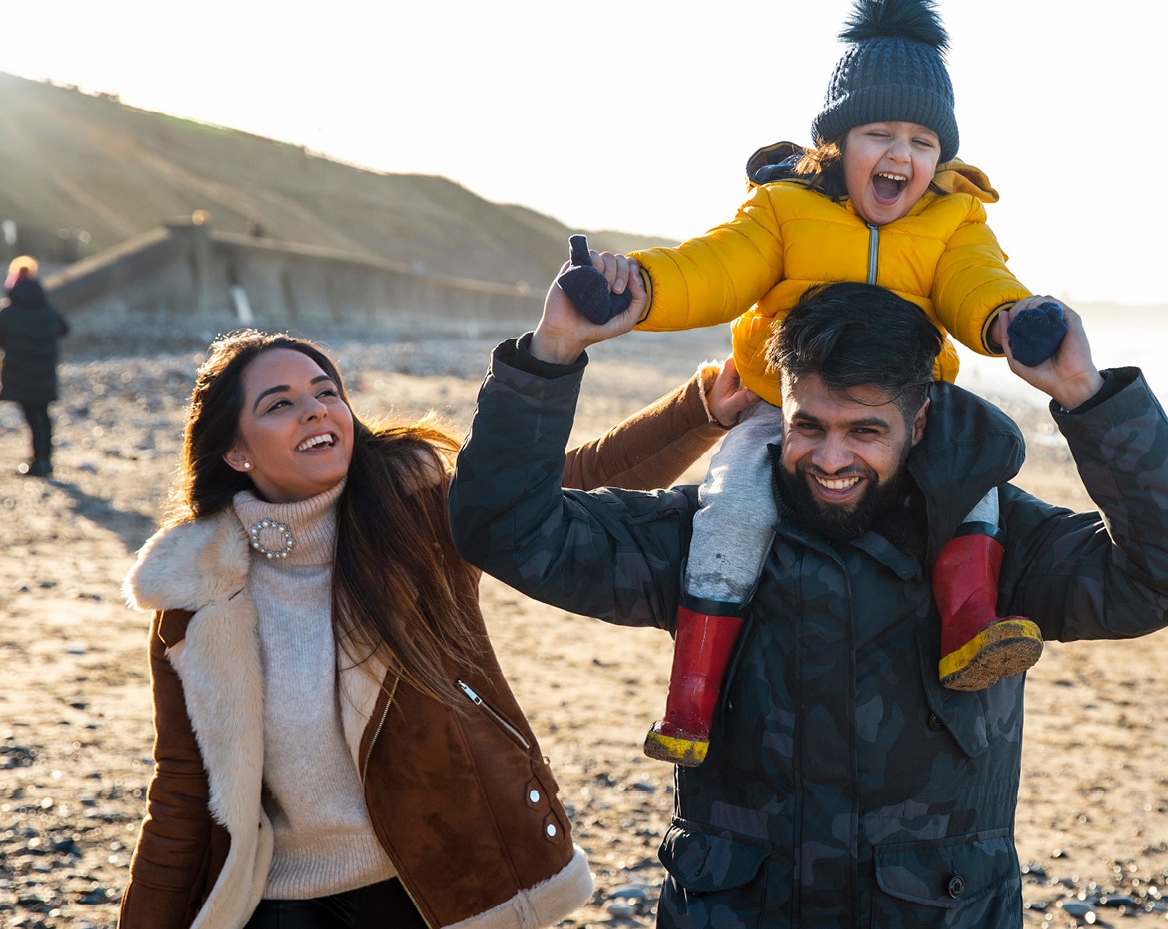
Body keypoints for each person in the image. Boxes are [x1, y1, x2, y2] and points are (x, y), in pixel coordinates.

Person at [446, 277, 1168, 926]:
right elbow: (505, 529)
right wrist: (550, 356)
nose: (829, 458)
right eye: (808, 425)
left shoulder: (1004, 545)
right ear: (779, 405)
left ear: (918, 419)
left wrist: (1085, 397)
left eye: (864, 431)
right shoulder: (707, 534)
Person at [117, 328, 755, 929]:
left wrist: (700, 410)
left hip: (430, 882)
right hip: (280, 899)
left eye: (325, 392)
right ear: (234, 450)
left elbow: (558, 490)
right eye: (279, 404)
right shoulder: (196, 597)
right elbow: (181, 788)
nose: (314, 411)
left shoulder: (417, 516)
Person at [567, 0, 1066, 765]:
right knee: (731, 507)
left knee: (973, 475)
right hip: (786, 406)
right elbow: (713, 267)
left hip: (906, 409)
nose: (900, 153)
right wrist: (636, 285)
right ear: (834, 141)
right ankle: (690, 700)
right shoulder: (782, 208)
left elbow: (977, 282)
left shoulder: (953, 222)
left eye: (921, 140)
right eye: (879, 134)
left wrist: (1008, 319)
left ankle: (970, 628)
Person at [0, 255, 69, 477]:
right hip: (44, 369)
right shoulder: (46, 307)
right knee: (42, 413)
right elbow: (64, 328)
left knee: (32, 415)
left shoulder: (7, 309)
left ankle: (38, 461)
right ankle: (45, 460)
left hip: (19, 371)